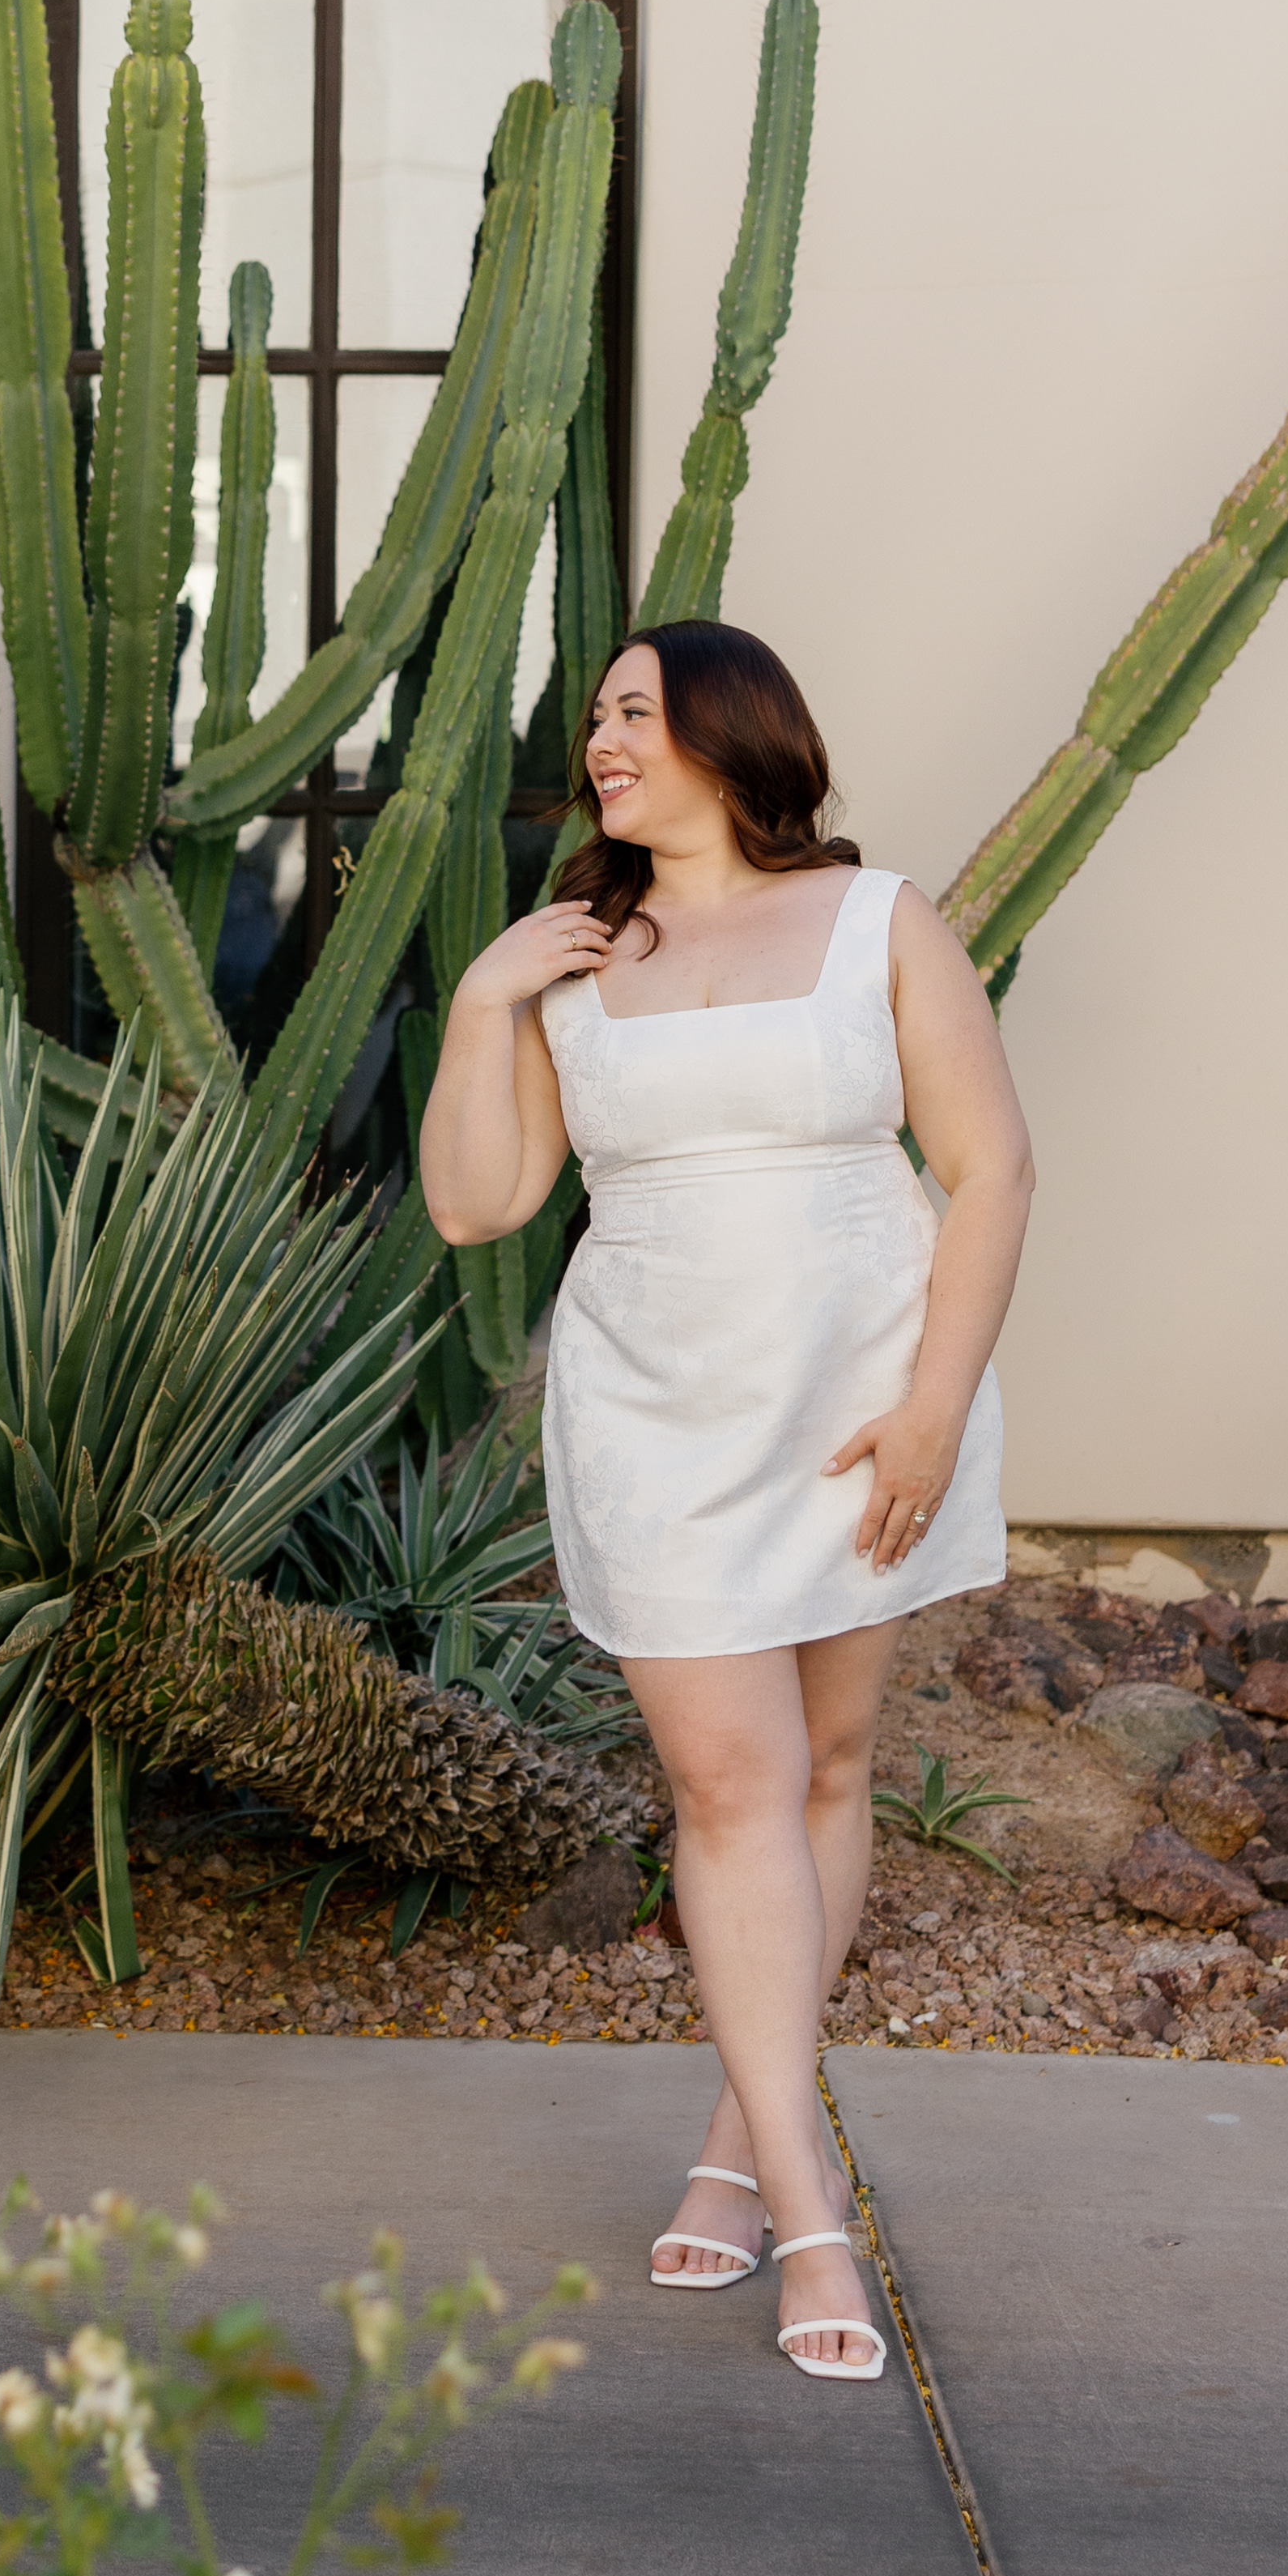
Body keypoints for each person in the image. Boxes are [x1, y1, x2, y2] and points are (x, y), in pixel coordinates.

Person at [419, 620, 1032, 2386]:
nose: (602, 738)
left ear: (732, 731)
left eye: (635, 709)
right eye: (597, 714)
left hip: (860, 1406)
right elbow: (480, 1201)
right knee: (729, 1776)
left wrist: (931, 1409)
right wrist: (485, 998)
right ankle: (812, 2193)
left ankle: (731, 2134)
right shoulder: (579, 955)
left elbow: (990, 1166)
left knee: (828, 1770)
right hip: (658, 1412)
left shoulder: (879, 920)